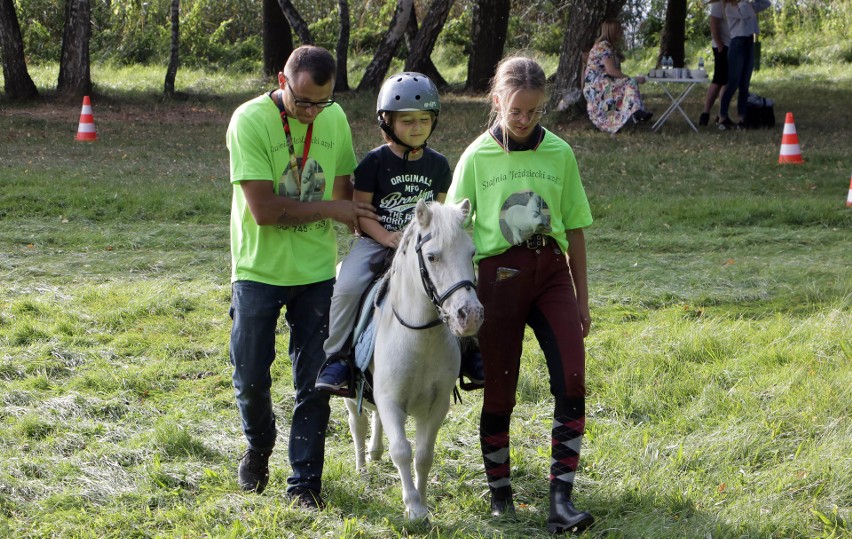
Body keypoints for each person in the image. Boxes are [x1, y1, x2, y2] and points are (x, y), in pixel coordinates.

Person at [225, 45, 378, 509]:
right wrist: (332, 209)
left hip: (315, 274)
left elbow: (348, 196)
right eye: (303, 101)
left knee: (315, 381)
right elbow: (265, 210)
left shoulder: (332, 120)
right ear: (282, 80)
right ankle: (260, 442)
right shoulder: (249, 121)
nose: (312, 112)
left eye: (322, 102)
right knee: (250, 375)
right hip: (257, 272)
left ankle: (304, 485)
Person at [448, 55, 595, 534]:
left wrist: (582, 299)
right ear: (497, 101)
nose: (525, 120)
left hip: (551, 273)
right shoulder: (475, 158)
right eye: (516, 111)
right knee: (500, 390)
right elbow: (452, 235)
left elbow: (574, 230)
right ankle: (500, 494)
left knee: (572, 379)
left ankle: (561, 500)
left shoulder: (561, 153)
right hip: (498, 278)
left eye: (534, 111)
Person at [314, 72, 484, 397]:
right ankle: (337, 359)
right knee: (347, 287)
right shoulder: (373, 164)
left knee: (461, 283)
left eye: (424, 119)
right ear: (387, 122)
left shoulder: (438, 165)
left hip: (425, 247)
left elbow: (440, 216)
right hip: (377, 241)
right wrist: (386, 237)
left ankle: (470, 351)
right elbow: (360, 213)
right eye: (407, 121)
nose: (417, 127)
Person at [583, 19, 653, 134]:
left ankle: (636, 111)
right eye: (619, 31)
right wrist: (631, 78)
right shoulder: (603, 47)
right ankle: (636, 111)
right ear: (613, 32)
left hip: (603, 82)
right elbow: (611, 71)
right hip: (597, 85)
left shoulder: (606, 46)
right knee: (630, 82)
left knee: (628, 83)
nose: (621, 34)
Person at [717, 0, 771, 130]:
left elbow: (766, 3)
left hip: (749, 42)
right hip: (737, 43)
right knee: (733, 82)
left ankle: (742, 118)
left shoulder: (747, 4)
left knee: (745, 84)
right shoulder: (730, 7)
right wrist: (743, 2)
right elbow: (745, 14)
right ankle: (722, 117)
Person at [699, 0, 731, 126]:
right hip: (722, 45)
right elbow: (713, 23)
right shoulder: (718, 3)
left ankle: (720, 115)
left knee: (726, 81)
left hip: (731, 44)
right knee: (719, 80)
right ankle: (707, 114)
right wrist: (720, 45)